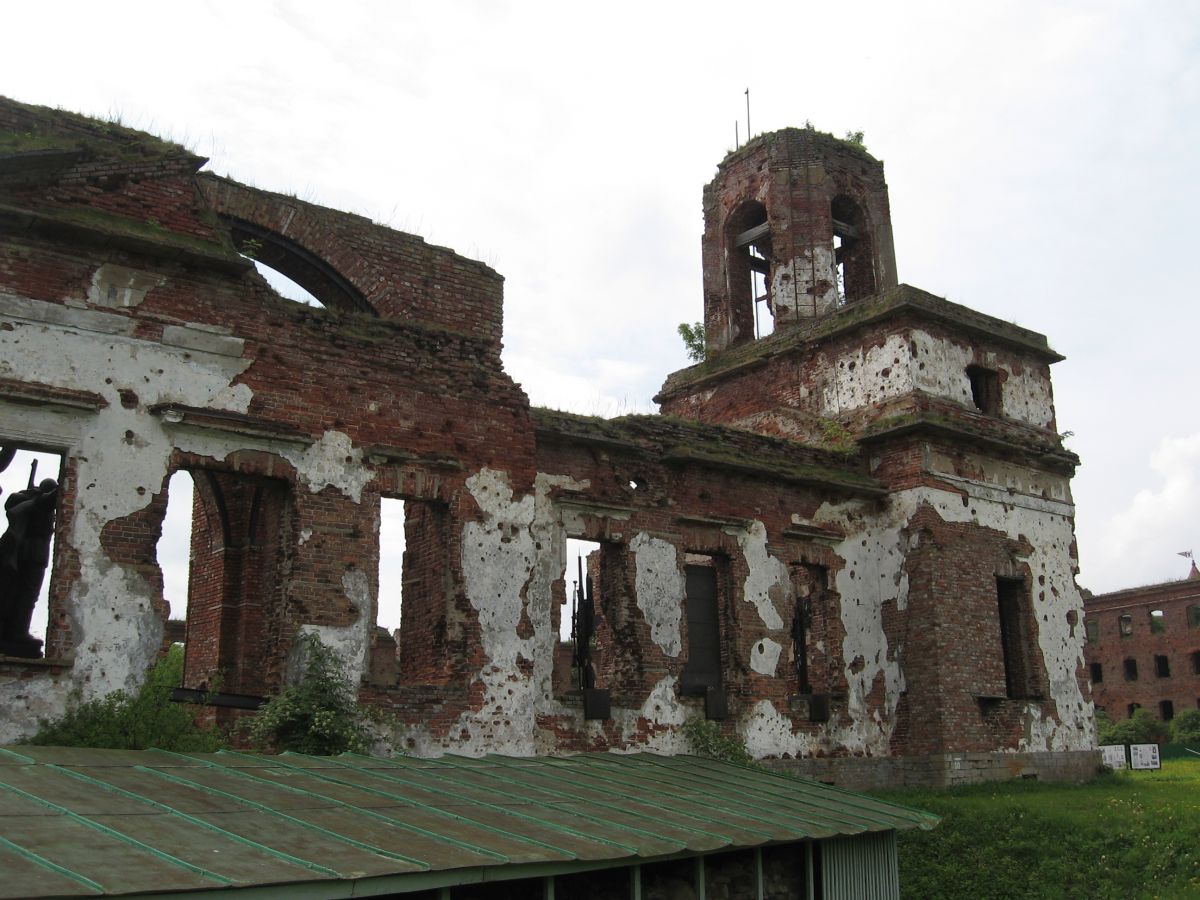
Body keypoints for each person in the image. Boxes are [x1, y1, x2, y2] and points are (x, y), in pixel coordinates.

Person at [0, 473, 57, 657]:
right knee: (28, 595)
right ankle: (18, 632)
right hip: (34, 553)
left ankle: (15, 631)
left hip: (27, 552)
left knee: (19, 593)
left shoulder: (31, 502)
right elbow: (57, 495)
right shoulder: (39, 503)